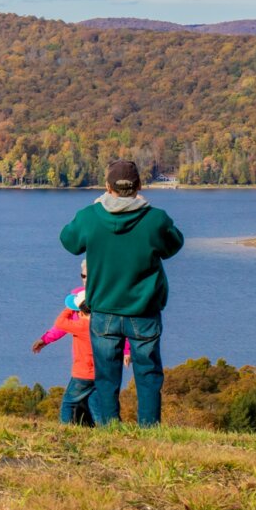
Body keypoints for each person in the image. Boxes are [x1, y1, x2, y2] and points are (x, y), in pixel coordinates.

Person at [59, 160, 183, 426]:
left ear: (107, 187)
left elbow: (69, 240)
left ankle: (110, 428)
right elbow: (174, 245)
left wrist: (94, 208)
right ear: (139, 186)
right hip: (144, 311)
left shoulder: (90, 217)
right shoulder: (155, 218)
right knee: (148, 374)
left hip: (104, 310)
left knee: (106, 375)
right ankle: (149, 430)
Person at [32, 285, 130, 426]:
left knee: (68, 402)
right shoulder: (104, 325)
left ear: (81, 312)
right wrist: (127, 351)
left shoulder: (80, 326)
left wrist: (70, 308)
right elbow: (123, 335)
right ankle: (105, 429)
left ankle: (64, 427)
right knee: (95, 403)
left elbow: (60, 323)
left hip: (82, 374)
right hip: (100, 373)